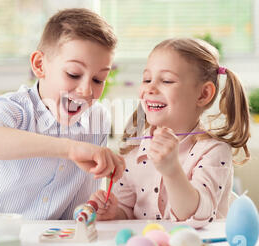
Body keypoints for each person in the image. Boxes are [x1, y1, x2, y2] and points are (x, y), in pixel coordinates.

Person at [0, 8, 125, 220]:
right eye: (73, 74)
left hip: (45, 243)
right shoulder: (16, 107)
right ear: (40, 65)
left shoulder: (98, 118)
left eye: (98, 80)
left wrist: (95, 208)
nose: (86, 90)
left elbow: (75, 213)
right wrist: (70, 148)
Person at [90, 38, 250, 228]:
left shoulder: (213, 151)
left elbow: (198, 216)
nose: (149, 88)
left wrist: (172, 170)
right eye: (147, 79)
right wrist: (113, 212)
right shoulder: (134, 149)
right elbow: (127, 211)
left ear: (203, 94)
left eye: (166, 80)